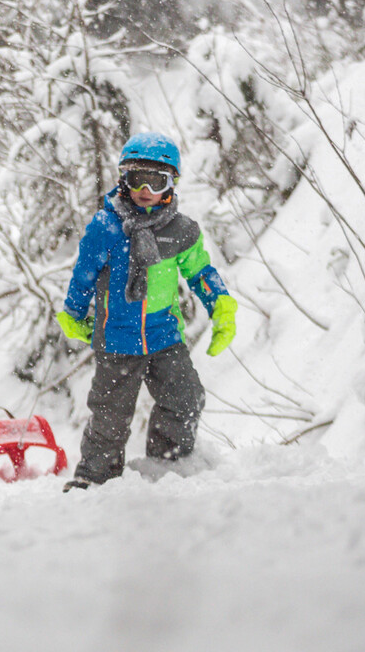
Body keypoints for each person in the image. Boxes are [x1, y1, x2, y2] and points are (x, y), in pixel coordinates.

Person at [55, 133, 238, 490]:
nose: (145, 189)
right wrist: (74, 313)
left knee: (185, 399)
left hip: (164, 335)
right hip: (118, 339)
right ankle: (94, 477)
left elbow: (201, 273)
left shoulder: (181, 232)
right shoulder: (106, 228)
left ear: (171, 185)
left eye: (157, 181)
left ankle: (168, 463)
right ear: (123, 179)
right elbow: (84, 276)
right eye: (136, 178)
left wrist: (221, 306)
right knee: (110, 415)